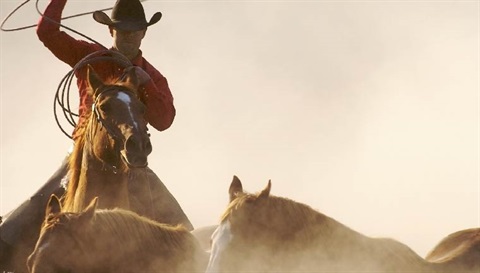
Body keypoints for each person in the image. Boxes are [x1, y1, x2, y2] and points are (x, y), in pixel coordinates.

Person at [0, 0, 192, 271]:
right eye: (122, 31)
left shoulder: (151, 76)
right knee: (14, 228)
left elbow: (164, 120)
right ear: (111, 31)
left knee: (184, 235)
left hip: (131, 161)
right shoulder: (89, 56)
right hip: (81, 157)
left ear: (144, 33)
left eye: (134, 30)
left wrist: (146, 85)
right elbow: (47, 32)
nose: (128, 36)